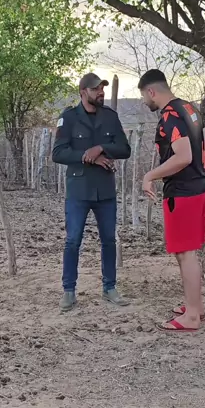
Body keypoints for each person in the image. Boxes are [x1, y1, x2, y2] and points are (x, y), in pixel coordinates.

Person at [138, 69, 205, 332]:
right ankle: (195, 307)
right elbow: (204, 148)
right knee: (188, 252)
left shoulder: (169, 116)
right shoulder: (189, 109)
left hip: (184, 192)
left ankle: (191, 317)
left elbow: (184, 156)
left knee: (186, 253)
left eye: (144, 96)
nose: (144, 101)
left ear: (151, 91)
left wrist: (150, 176)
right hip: (199, 186)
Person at [53, 73, 131, 311]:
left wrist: (101, 148)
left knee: (108, 240)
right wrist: (89, 157)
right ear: (83, 92)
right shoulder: (68, 118)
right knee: (73, 241)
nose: (101, 92)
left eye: (102, 88)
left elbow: (124, 148)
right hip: (78, 190)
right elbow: (58, 153)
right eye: (96, 89)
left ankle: (109, 288)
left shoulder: (110, 117)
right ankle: (69, 291)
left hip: (105, 190)